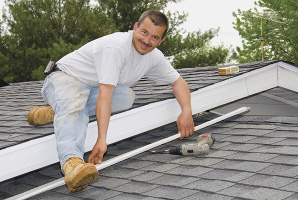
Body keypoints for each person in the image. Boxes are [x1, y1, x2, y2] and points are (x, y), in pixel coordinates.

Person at [28, 10, 195, 193]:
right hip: (64, 77)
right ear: (135, 28)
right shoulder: (116, 47)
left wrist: (186, 111)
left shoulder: (154, 57)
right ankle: (72, 163)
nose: (147, 41)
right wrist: (101, 140)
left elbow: (178, 82)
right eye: (144, 32)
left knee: (126, 97)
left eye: (155, 37)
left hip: (93, 88)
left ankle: (57, 110)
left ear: (161, 40)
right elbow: (105, 96)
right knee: (75, 105)